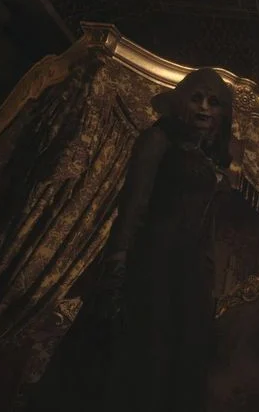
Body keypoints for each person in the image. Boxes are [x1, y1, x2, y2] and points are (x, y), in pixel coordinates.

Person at [26, 68, 234, 412]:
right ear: (181, 101)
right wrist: (118, 263)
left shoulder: (205, 157)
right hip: (152, 263)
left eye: (213, 102)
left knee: (176, 364)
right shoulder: (158, 139)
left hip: (189, 275)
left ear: (222, 113)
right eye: (196, 98)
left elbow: (204, 226)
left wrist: (207, 279)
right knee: (137, 356)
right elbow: (134, 203)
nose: (203, 107)